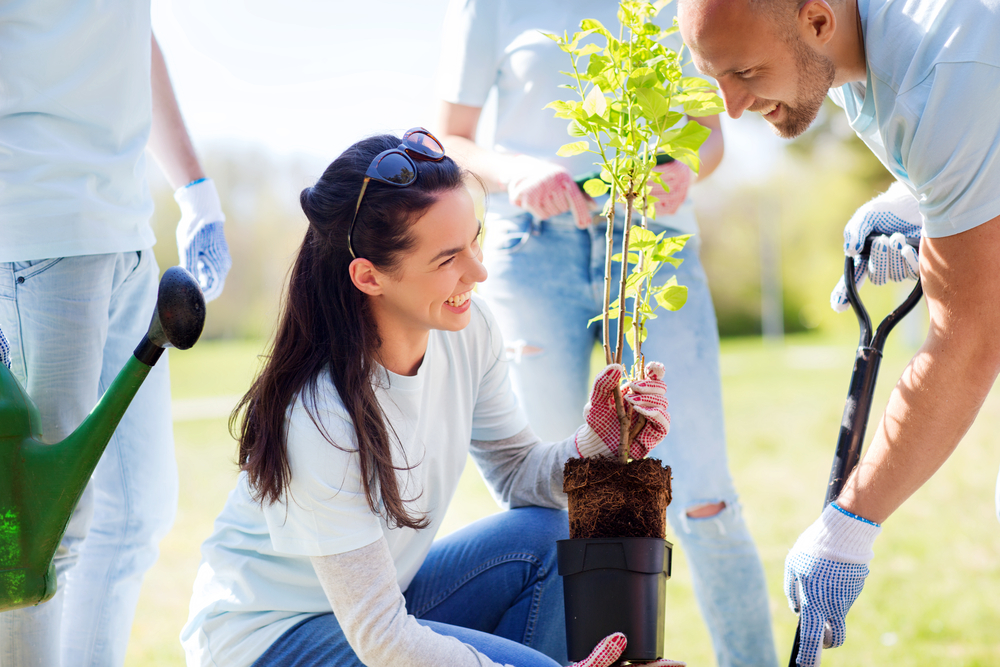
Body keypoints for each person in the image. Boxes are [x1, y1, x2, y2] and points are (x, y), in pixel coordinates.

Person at [180, 130, 682, 667]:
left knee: (547, 538)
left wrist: (598, 443)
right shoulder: (320, 415)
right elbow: (382, 639)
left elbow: (516, 474)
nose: (479, 271)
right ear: (369, 276)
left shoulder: (468, 331)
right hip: (269, 639)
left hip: (375, 611)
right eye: (448, 260)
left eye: (475, 239)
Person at [434, 2, 778, 666]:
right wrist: (516, 174)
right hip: (533, 251)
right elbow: (450, 139)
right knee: (551, 503)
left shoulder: (684, 7)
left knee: (705, 495)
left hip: (653, 248)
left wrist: (681, 165)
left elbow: (709, 132)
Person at [676, 0, 1000, 664]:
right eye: (716, 79)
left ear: (817, 21)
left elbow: (970, 338)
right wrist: (911, 199)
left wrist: (850, 526)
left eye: (745, 71)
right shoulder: (849, 64)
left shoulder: (945, 69)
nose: (730, 107)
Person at [0, 1, 231, 664]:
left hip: (122, 232)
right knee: (38, 532)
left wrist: (196, 189)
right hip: (34, 228)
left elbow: (130, 33)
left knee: (134, 515)